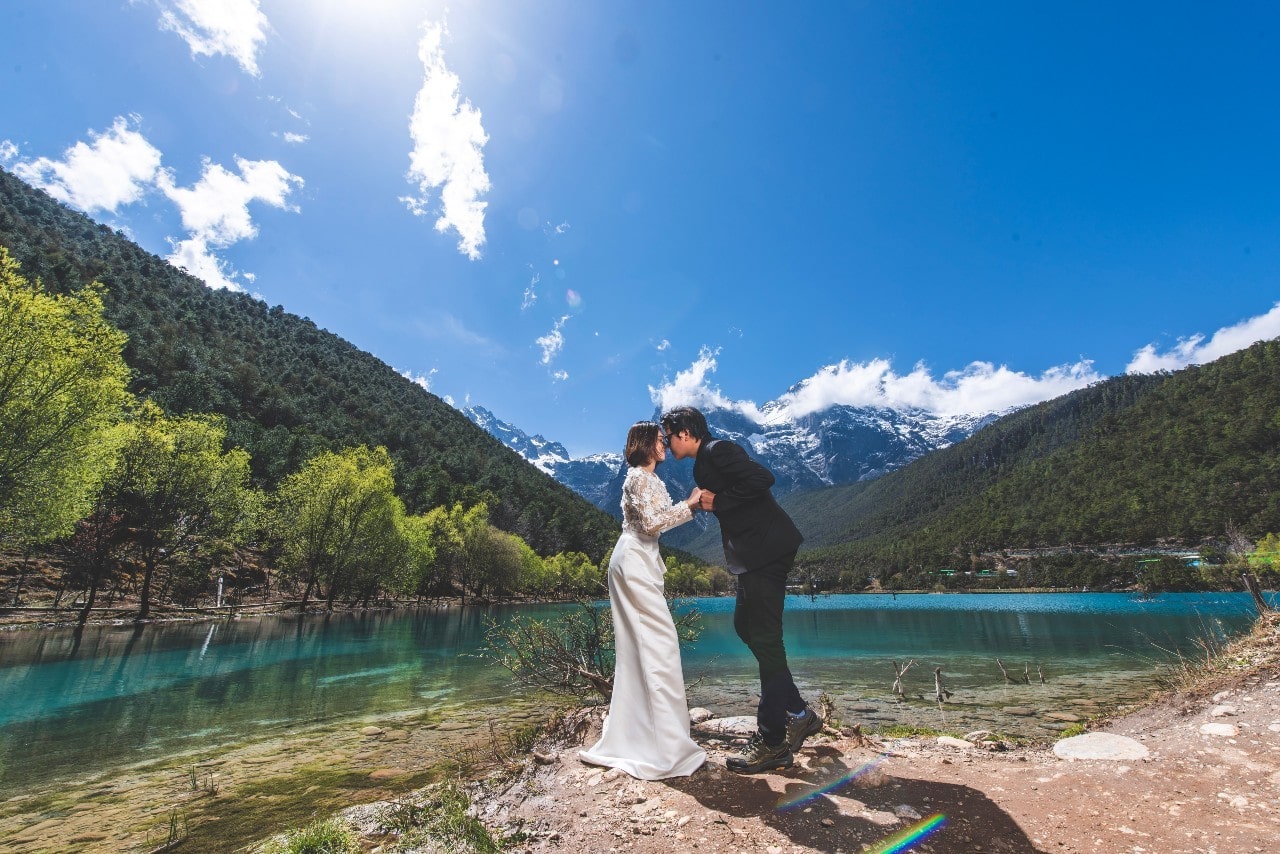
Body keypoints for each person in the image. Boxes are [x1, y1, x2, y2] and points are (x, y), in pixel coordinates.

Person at [660, 405, 820, 774]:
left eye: (669, 437)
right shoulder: (703, 463)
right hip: (753, 556)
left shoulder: (719, 450)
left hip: (768, 551)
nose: (667, 444)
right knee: (746, 628)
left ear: (684, 433)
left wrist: (719, 501)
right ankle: (800, 713)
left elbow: (762, 478)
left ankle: (773, 741)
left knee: (766, 638)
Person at [578, 421, 707, 780]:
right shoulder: (637, 477)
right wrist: (690, 504)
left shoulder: (648, 478)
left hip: (640, 561)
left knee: (649, 648)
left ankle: (648, 737)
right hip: (633, 562)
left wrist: (690, 505)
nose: (664, 444)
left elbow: (653, 524)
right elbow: (651, 524)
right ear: (645, 444)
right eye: (659, 440)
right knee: (658, 645)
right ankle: (661, 746)